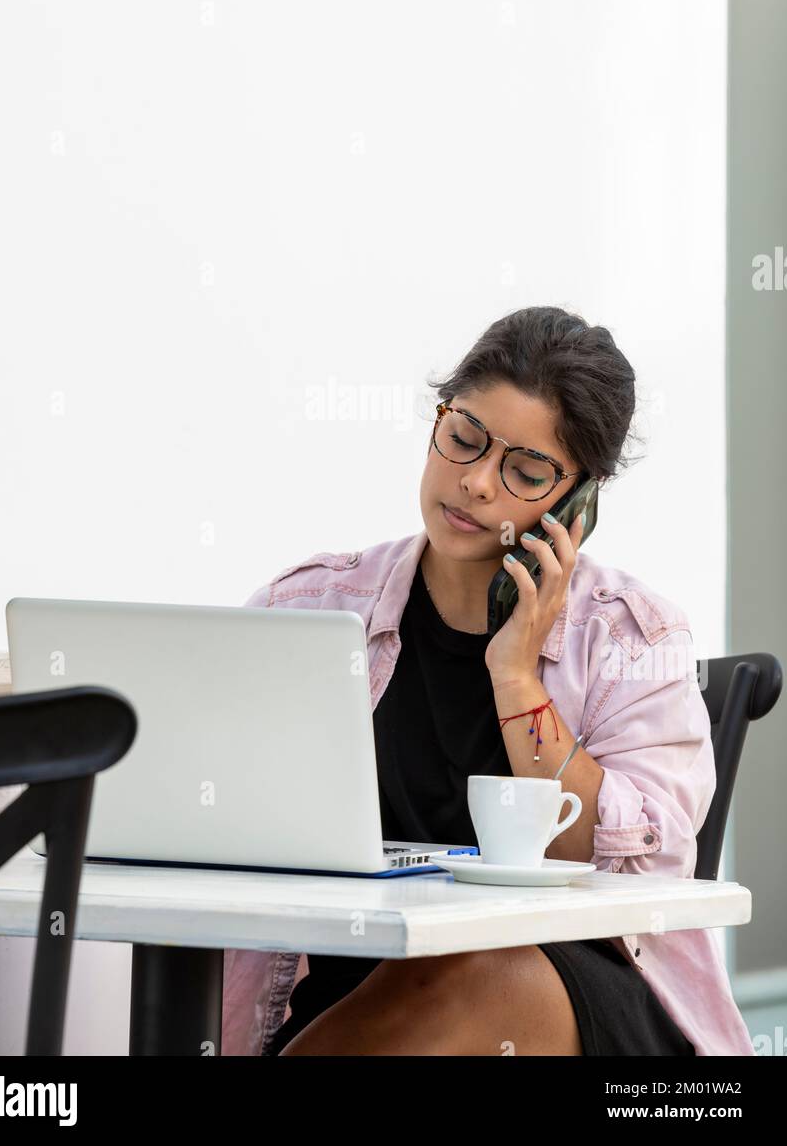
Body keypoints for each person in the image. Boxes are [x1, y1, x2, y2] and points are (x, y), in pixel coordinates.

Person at [222, 305, 755, 1056]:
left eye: (526, 471)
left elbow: (626, 880)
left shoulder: (634, 639)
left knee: (471, 968)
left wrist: (515, 674)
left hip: (571, 996)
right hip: (355, 1000)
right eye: (464, 437)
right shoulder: (307, 611)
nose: (475, 483)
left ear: (579, 499)